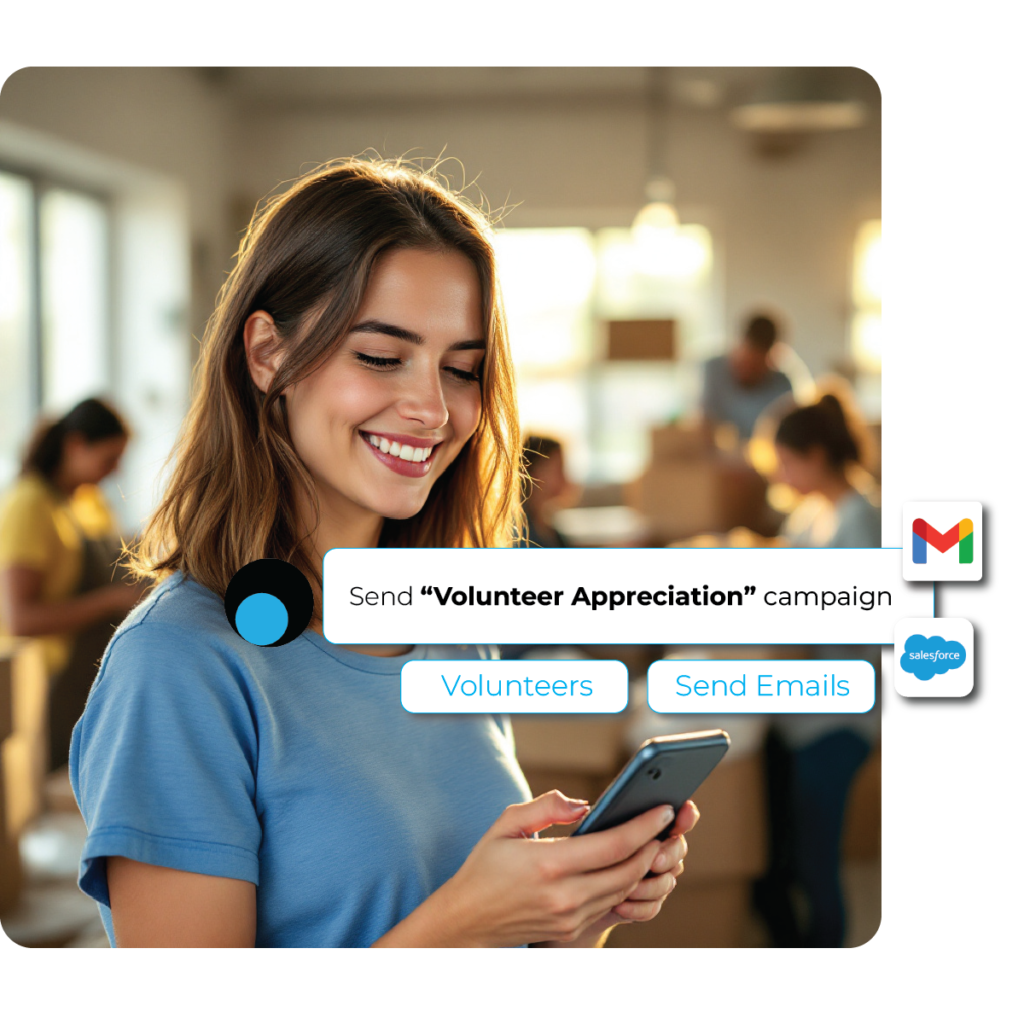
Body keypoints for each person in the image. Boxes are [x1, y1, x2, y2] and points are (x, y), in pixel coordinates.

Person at [69, 158, 699, 949]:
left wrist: (573, 912)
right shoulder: (179, 664)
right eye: (380, 356)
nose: (433, 408)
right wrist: (465, 920)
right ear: (267, 354)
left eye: (462, 369)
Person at [751, 392, 881, 949]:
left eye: (786, 460)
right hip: (807, 711)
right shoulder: (816, 513)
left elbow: (841, 635)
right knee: (787, 856)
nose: (778, 473)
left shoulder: (859, 522)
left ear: (816, 455)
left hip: (837, 720)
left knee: (815, 861)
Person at [0, 397, 140, 770]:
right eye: (108, 459)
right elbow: (20, 619)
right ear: (75, 445)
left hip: (85, 678)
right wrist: (111, 600)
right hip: (44, 686)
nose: (114, 470)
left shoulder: (88, 502)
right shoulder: (30, 505)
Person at [701, 313, 793, 446]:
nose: (747, 371)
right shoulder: (712, 369)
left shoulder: (782, 386)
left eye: (756, 366)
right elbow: (704, 421)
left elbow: (785, 440)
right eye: (744, 363)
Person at [519, 435, 573, 548]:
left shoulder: (547, 526)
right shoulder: (520, 533)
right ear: (534, 474)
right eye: (559, 469)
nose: (565, 478)